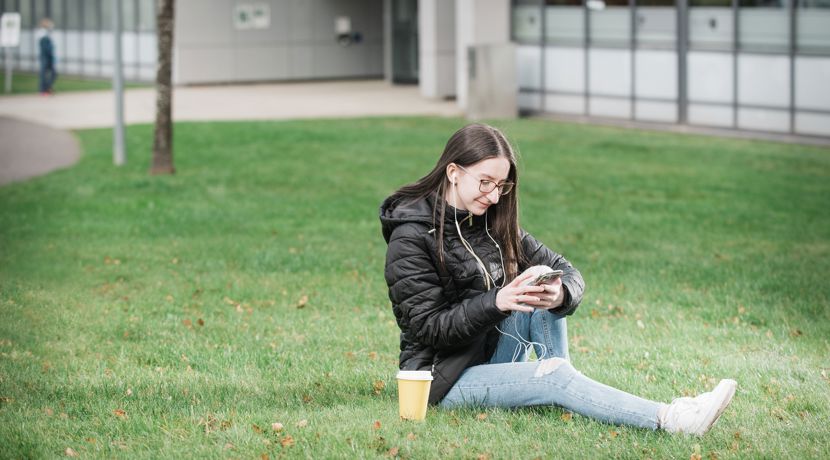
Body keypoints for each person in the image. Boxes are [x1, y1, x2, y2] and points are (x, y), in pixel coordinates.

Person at [379, 123, 736, 435]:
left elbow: (569, 271)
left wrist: (560, 293)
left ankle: (560, 380)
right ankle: (671, 418)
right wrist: (498, 301)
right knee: (550, 373)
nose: (492, 195)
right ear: (454, 172)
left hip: (492, 353)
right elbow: (428, 327)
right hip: (441, 378)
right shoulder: (410, 236)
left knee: (540, 278)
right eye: (484, 182)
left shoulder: (492, 222)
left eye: (500, 186)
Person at [37, 18, 57, 95]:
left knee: (53, 73)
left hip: (48, 56)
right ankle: (43, 90)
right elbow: (46, 48)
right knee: (44, 74)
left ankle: (47, 88)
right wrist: (51, 56)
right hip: (46, 56)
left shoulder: (47, 33)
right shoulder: (42, 33)